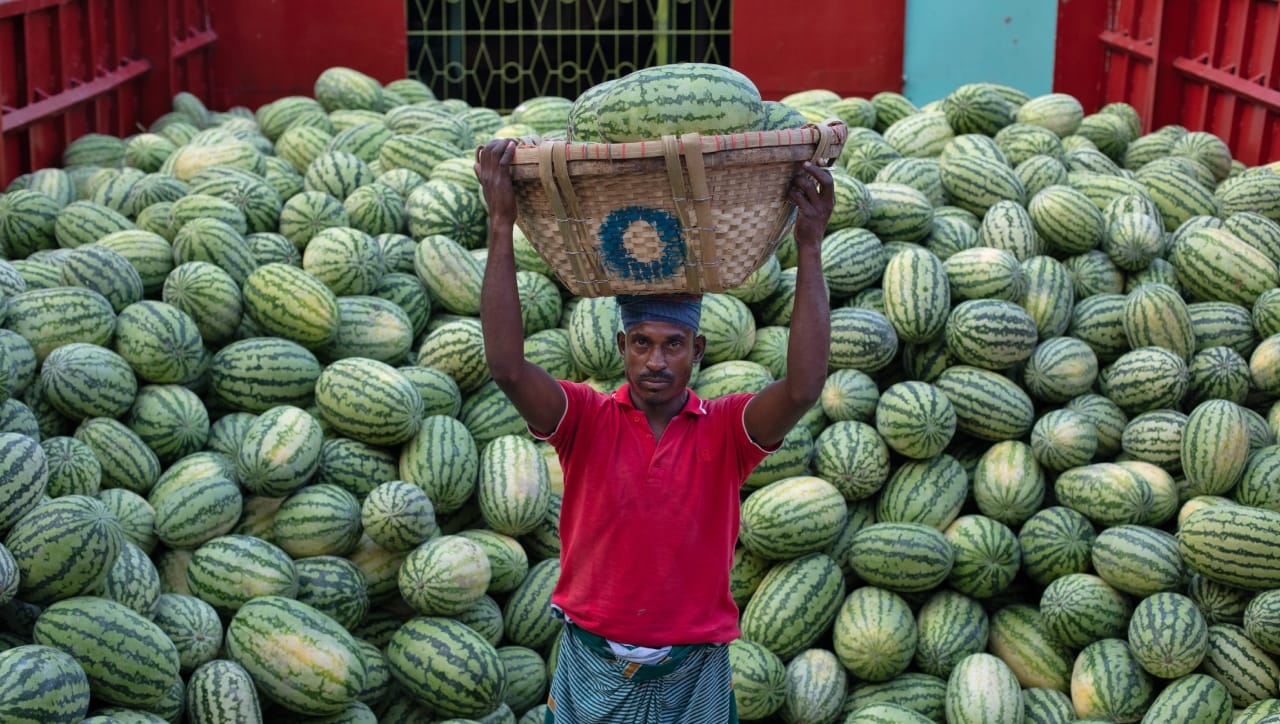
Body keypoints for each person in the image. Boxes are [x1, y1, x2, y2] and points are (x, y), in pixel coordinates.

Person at [475, 136, 834, 724]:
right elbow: (507, 368)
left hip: (693, 671)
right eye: (641, 344)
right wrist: (501, 225)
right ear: (621, 346)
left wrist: (810, 245)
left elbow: (803, 389)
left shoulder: (725, 431)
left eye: (673, 346)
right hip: (592, 663)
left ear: (699, 350)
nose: (656, 362)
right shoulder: (584, 420)